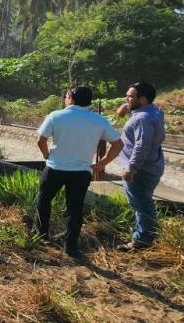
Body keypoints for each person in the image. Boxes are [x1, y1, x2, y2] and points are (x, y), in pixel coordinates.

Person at [36, 86, 124, 258]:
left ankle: (42, 235)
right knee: (75, 209)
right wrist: (101, 164)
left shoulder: (56, 115)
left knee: (44, 199)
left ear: (71, 98)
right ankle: (71, 247)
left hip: (55, 168)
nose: (65, 98)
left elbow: (40, 140)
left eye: (66, 96)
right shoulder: (98, 120)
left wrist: (47, 154)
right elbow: (118, 144)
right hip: (81, 172)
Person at [116, 82, 166, 250]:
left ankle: (143, 240)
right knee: (143, 202)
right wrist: (126, 106)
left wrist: (131, 168)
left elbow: (141, 146)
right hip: (152, 165)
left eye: (130, 96)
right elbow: (140, 106)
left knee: (142, 204)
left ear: (142, 99)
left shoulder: (142, 118)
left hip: (141, 170)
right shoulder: (153, 111)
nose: (126, 98)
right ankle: (144, 235)